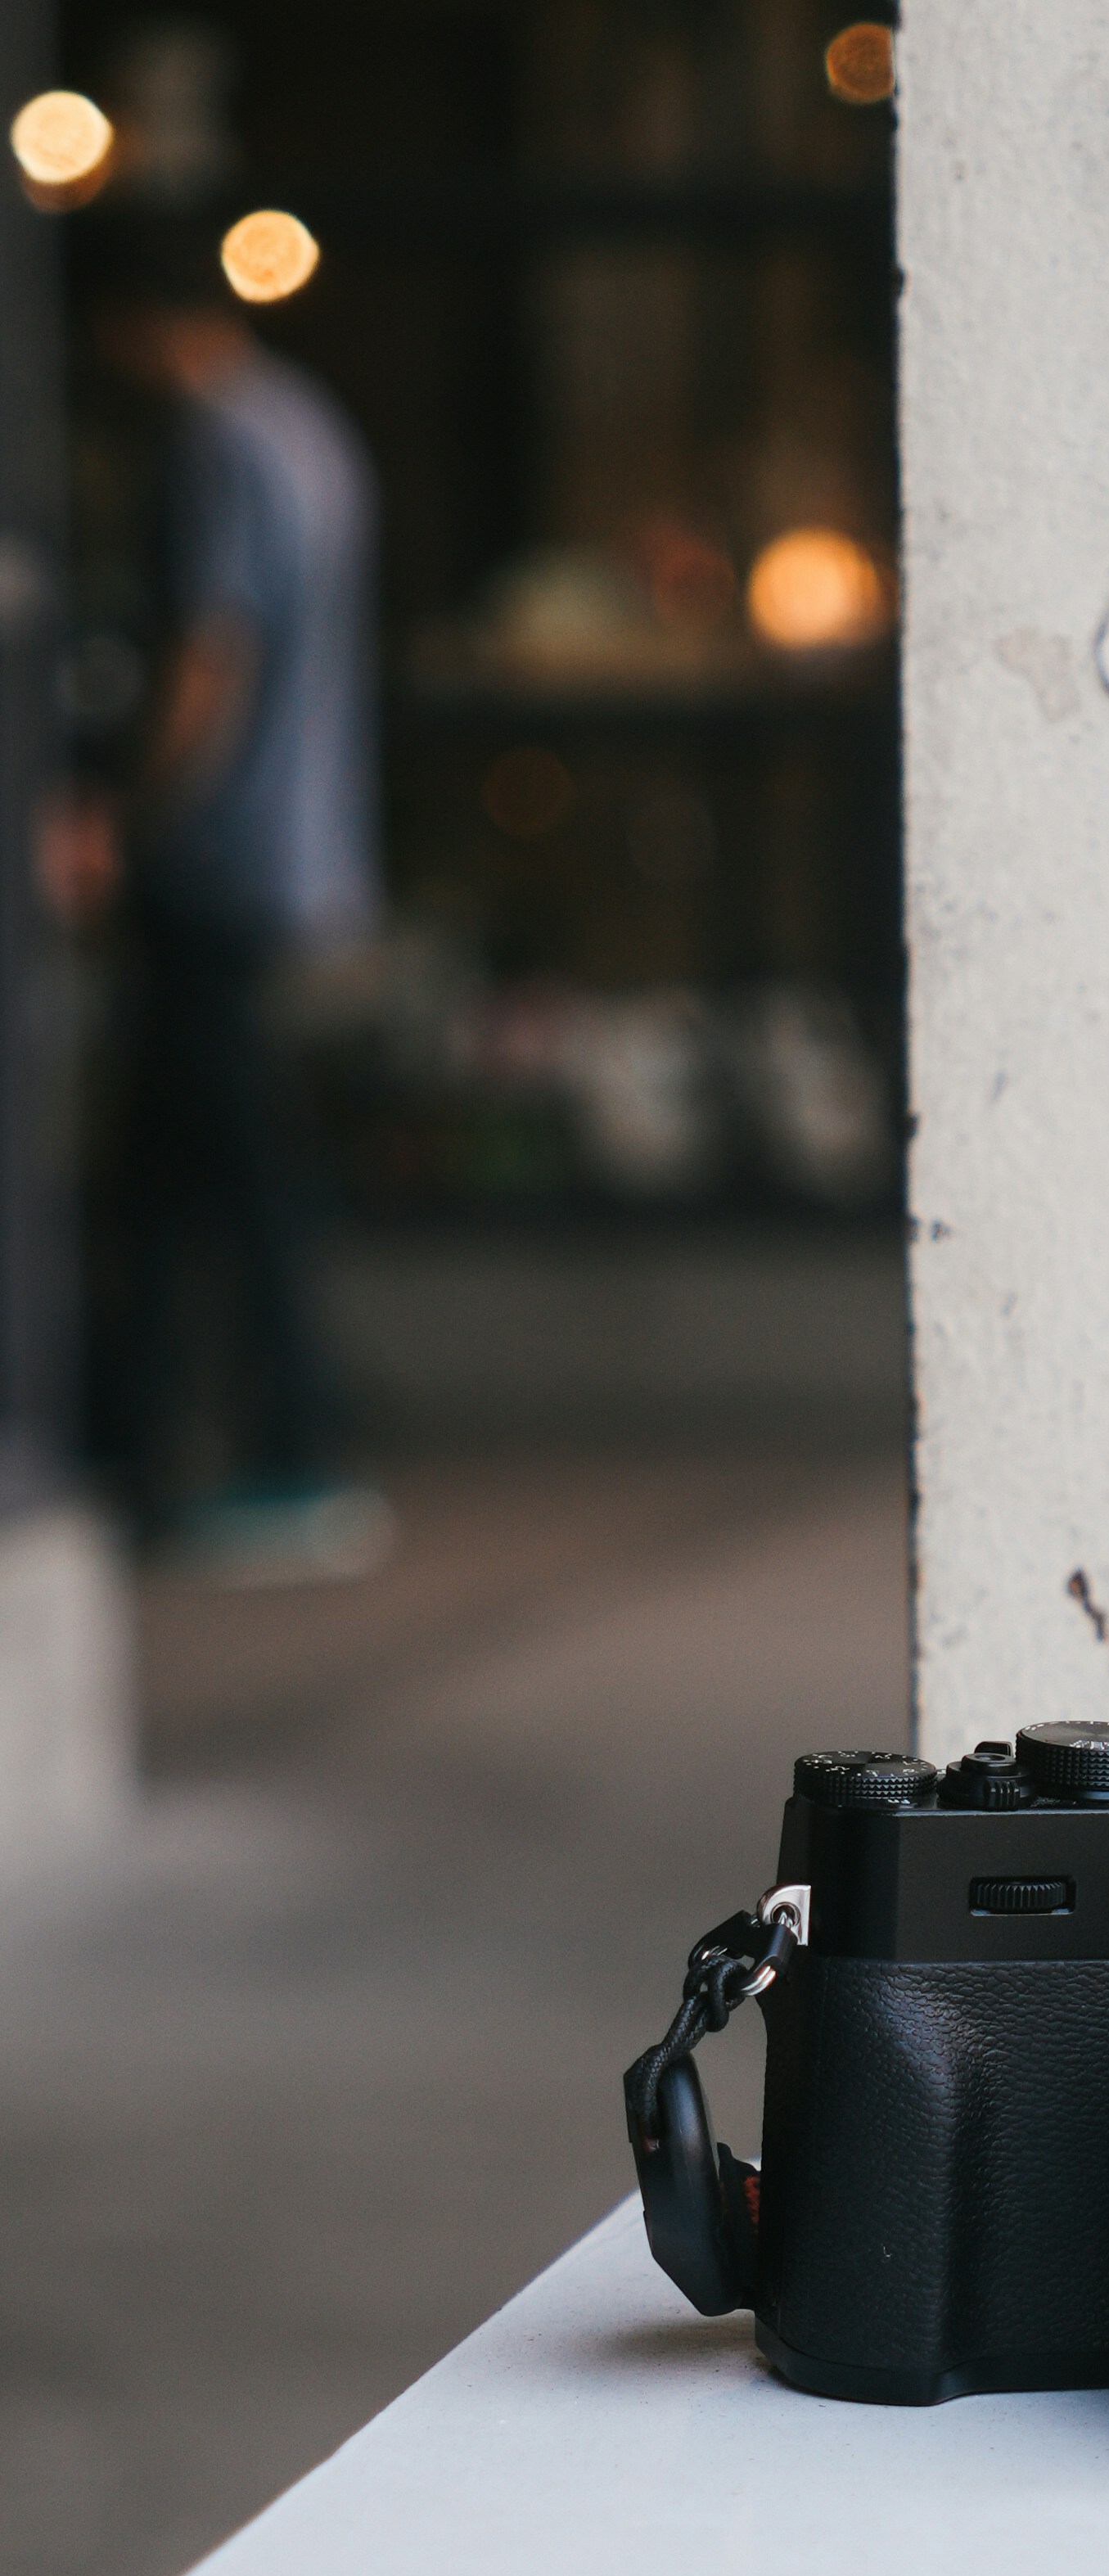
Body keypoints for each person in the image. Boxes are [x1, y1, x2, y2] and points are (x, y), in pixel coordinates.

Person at [89, 213, 387, 1579]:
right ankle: (152, 1441)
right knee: (184, 1161)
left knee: (230, 1164)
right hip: (295, 847)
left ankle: (281, 1450)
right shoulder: (308, 423)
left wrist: (119, 814)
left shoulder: (219, 440)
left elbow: (215, 653)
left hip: (216, 854)